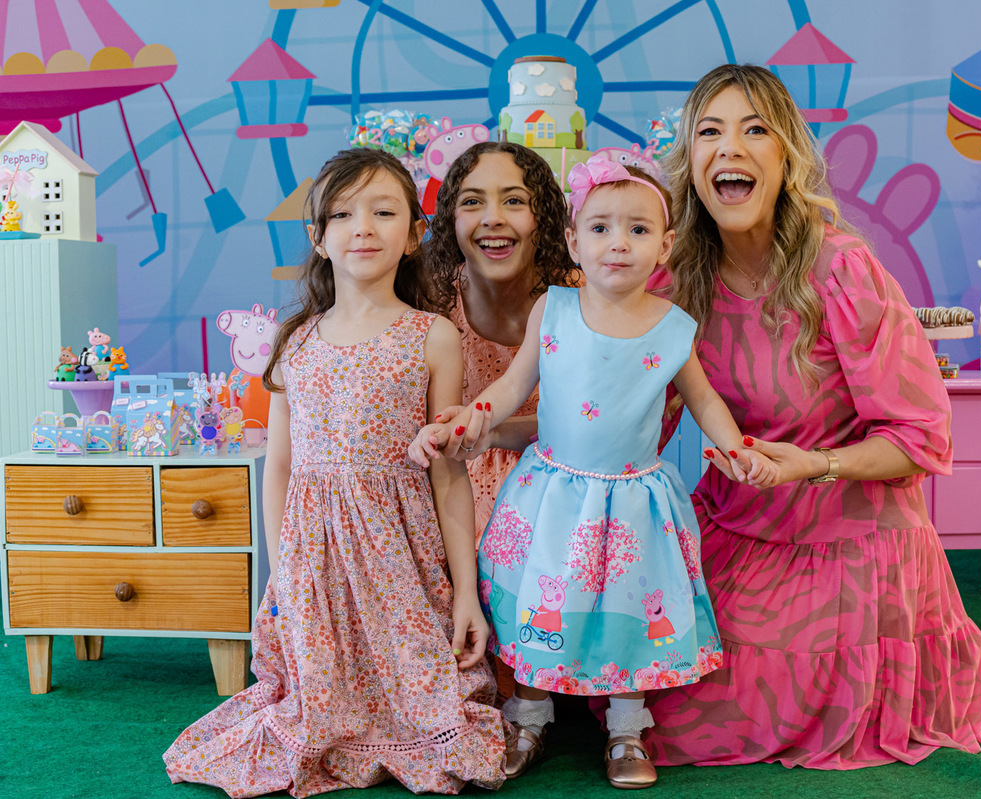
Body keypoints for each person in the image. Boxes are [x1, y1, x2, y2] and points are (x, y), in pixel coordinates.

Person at [641, 63, 981, 769]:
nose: (730, 147)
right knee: (653, 697)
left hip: (852, 530)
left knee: (734, 709)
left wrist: (817, 464)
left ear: (786, 158)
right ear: (690, 159)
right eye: (709, 131)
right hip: (740, 523)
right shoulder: (674, 278)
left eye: (754, 130)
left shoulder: (840, 268)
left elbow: (920, 436)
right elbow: (635, 416)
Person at [409, 156, 779, 789]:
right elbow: (512, 385)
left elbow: (704, 400)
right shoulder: (552, 309)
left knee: (630, 609)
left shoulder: (673, 328)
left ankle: (626, 728)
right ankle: (529, 716)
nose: (619, 243)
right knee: (542, 603)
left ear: (664, 246)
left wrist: (737, 449)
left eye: (638, 230)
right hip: (552, 495)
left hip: (635, 504)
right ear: (574, 241)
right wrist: (473, 417)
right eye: (601, 228)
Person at [162, 147, 506, 796]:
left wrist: (465, 591)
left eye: (383, 212)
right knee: (315, 694)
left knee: (434, 711)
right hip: (314, 559)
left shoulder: (432, 335)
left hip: (399, 559)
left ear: (415, 234)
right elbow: (281, 467)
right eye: (343, 214)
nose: (363, 228)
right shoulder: (296, 342)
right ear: (319, 238)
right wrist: (283, 574)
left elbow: (449, 474)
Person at [426, 141, 578, 546]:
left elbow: (599, 422)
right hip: (455, 507)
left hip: (568, 501)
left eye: (514, 201)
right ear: (450, 220)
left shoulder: (583, 300)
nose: (493, 218)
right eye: (472, 202)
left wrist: (492, 432)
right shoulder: (429, 304)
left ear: (543, 217)